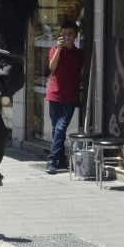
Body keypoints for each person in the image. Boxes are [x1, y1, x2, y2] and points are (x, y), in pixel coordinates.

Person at [45, 20, 84, 174]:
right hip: (54, 95)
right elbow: (52, 67)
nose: (66, 37)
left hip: (69, 97)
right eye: (64, 34)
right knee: (56, 130)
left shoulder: (79, 54)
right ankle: (61, 159)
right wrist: (59, 49)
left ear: (75, 36)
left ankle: (52, 160)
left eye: (69, 34)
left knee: (61, 129)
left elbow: (81, 73)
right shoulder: (54, 49)